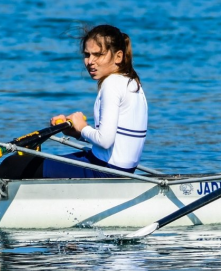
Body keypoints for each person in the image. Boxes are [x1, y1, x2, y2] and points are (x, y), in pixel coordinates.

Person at [41, 25, 148, 179]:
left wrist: (83, 127)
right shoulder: (132, 82)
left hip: (105, 170)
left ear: (118, 57)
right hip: (122, 170)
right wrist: (78, 133)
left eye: (98, 55)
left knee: (17, 164)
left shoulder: (111, 84)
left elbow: (105, 141)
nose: (90, 61)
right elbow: (115, 140)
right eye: (87, 55)